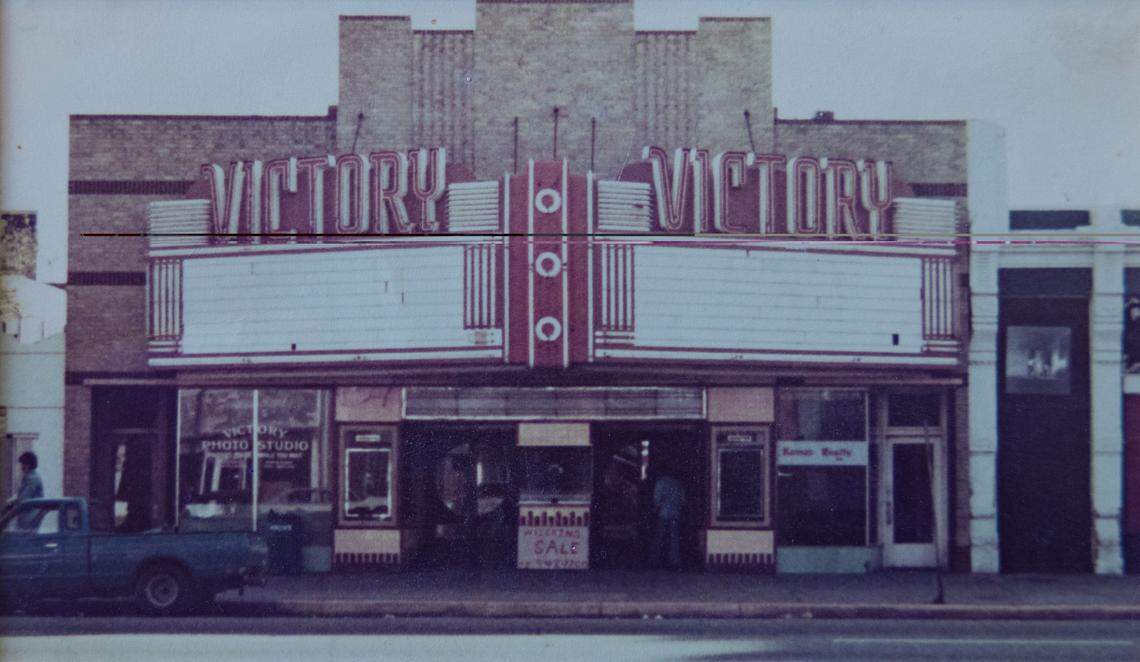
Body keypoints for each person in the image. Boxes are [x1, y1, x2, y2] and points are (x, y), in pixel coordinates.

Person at [650, 468, 685, 570]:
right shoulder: (678, 484)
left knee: (659, 536)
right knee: (674, 538)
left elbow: (656, 499)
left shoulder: (660, 482)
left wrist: (655, 510)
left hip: (663, 513)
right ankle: (674, 560)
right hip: (675, 513)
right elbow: (682, 500)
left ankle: (655, 559)